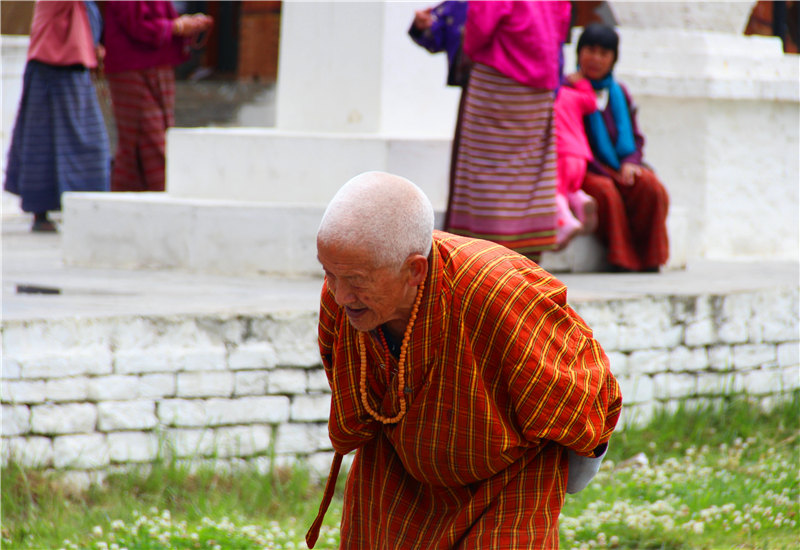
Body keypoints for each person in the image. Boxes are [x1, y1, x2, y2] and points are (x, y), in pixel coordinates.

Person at [306, 171, 622, 548]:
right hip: (397, 468)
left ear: (414, 270)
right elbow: (341, 370)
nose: (340, 295)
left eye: (356, 280)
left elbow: (580, 390)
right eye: (329, 274)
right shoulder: (345, 299)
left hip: (504, 479)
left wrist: (578, 469)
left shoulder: (496, 291)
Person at [445, 1, 571, 260]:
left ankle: (485, 258)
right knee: (529, 175)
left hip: (498, 83)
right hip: (539, 91)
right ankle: (526, 254)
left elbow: (478, 30)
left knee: (486, 171)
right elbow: (561, 25)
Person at [4, 0, 110, 233]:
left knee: (91, 145)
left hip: (72, 68)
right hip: (50, 68)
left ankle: (83, 207)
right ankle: (41, 212)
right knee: (43, 143)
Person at [574, 23, 670, 272]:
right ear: (579, 53)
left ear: (613, 59)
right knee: (606, 191)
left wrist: (630, 162)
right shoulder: (570, 90)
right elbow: (573, 141)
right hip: (585, 168)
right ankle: (623, 259)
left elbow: (635, 137)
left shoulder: (620, 93)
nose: (595, 58)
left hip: (619, 164)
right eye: (590, 50)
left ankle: (651, 258)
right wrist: (607, 173)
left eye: (604, 53)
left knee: (650, 186)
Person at [102, 1, 212, 192]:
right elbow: (136, 25)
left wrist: (184, 24)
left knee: (159, 133)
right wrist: (177, 26)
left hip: (158, 63)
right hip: (131, 66)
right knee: (148, 139)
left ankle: (139, 200)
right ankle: (161, 196)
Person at [553, 73, 600, 250]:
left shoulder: (549, 97)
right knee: (571, 188)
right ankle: (582, 202)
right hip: (580, 155)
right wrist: (582, 82)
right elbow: (592, 101)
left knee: (556, 190)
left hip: (561, 152)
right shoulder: (573, 96)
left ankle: (566, 223)